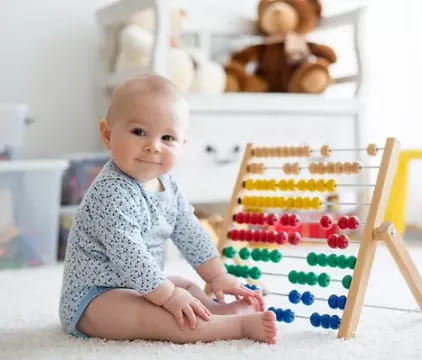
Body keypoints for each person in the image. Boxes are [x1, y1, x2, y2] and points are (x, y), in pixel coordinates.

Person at [59, 74, 277, 344]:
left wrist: (218, 276)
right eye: (139, 132)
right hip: (94, 298)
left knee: (186, 287)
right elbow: (130, 257)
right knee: (160, 315)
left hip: (139, 285)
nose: (153, 146)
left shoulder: (167, 183)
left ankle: (217, 311)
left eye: (168, 137)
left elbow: (187, 229)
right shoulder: (110, 192)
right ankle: (237, 327)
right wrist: (168, 297)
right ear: (107, 134)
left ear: (182, 143)